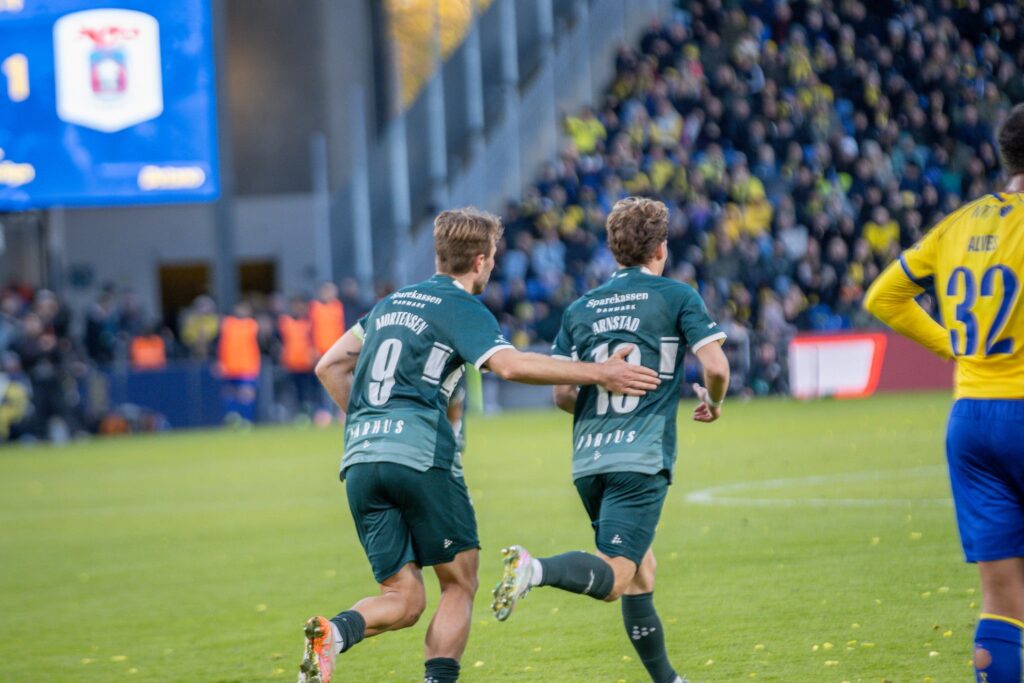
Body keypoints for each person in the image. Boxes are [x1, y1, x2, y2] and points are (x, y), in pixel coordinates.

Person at [299, 207, 661, 683]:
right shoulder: (460, 306)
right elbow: (510, 366)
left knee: (403, 598)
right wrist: (601, 372)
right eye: (492, 258)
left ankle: (336, 632)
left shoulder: (389, 305)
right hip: (420, 455)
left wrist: (373, 425)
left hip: (361, 458)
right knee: (459, 583)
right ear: (481, 261)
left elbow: (328, 366)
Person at [490, 197, 730, 683]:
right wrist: (715, 400)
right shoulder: (677, 296)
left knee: (642, 569)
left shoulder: (581, 308)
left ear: (614, 250)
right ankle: (534, 570)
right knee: (618, 575)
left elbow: (561, 394)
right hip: (638, 460)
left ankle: (668, 679)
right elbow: (717, 367)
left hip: (588, 460)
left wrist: (600, 404)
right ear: (661, 249)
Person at [864, 103, 1024, 683]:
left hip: (972, 419)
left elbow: (883, 297)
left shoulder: (960, 223)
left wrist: (954, 345)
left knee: (1001, 597)